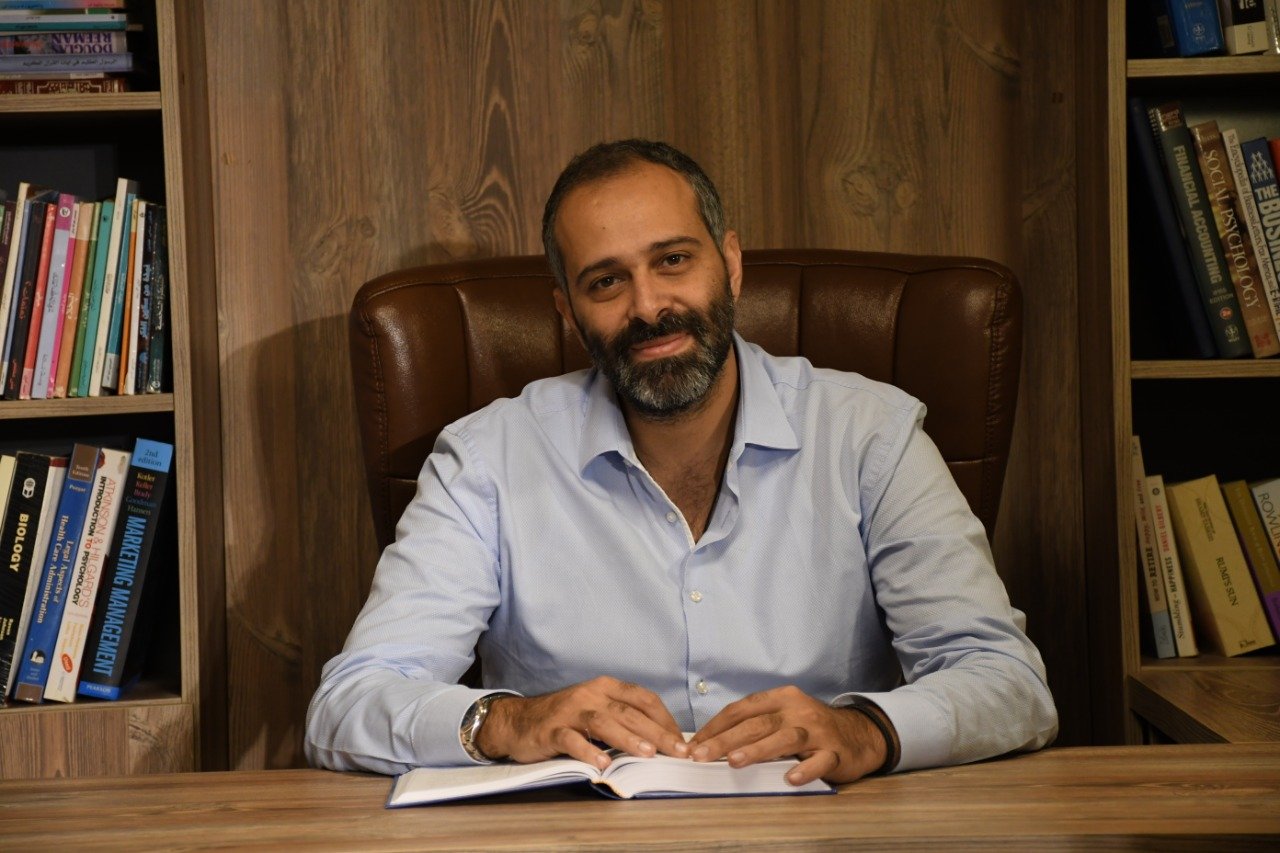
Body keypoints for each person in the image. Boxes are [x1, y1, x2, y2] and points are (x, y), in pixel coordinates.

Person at [305, 139, 1058, 786]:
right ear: (567, 310)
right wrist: (506, 721)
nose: (648, 306)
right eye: (606, 281)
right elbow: (349, 702)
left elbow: (1009, 683)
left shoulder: (870, 435)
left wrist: (868, 732)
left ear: (730, 264)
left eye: (672, 260)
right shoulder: (486, 459)